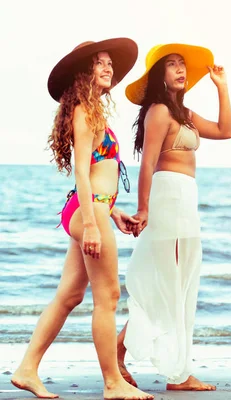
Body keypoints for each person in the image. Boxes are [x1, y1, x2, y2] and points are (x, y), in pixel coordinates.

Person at [10, 38, 153, 400]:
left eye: (109, 63)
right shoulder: (84, 112)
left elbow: (96, 174)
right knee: (108, 296)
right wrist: (92, 223)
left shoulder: (90, 110)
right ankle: (111, 383)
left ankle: (27, 369)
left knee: (69, 295)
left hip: (91, 208)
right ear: (83, 72)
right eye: (99, 63)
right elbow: (81, 172)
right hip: (86, 210)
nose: (108, 68)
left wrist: (111, 213)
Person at [115, 43, 231, 391]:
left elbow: (226, 131)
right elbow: (148, 163)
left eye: (183, 64)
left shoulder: (185, 114)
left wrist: (222, 88)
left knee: (180, 284)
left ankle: (177, 370)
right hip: (167, 196)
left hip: (186, 198)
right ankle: (151, 365)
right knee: (165, 284)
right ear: (159, 75)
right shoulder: (159, 112)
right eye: (172, 65)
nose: (180, 70)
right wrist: (144, 208)